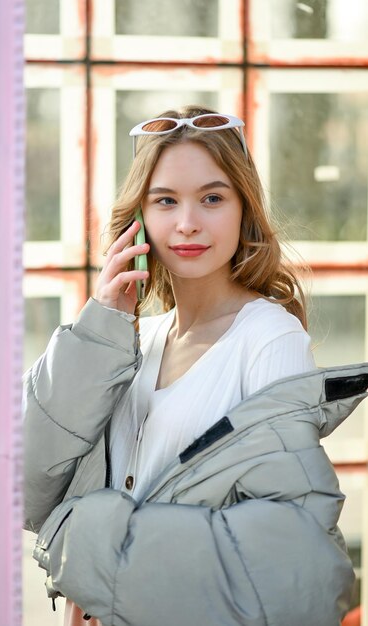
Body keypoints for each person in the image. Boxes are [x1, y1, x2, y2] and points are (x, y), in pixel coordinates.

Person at [23, 106, 368, 626]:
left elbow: (289, 547)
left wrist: (96, 551)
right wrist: (100, 326)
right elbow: (29, 484)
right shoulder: (135, 339)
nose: (187, 223)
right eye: (165, 200)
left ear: (242, 209)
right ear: (139, 218)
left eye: (212, 198)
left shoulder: (268, 337)